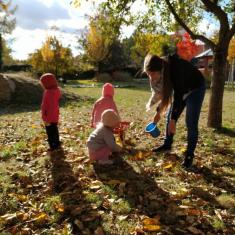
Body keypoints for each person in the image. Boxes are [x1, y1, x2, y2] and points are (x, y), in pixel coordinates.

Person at [144, 54, 206, 168]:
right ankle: (167, 145)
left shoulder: (175, 69)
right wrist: (158, 112)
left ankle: (189, 155)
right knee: (169, 118)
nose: (151, 77)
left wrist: (174, 119)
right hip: (181, 90)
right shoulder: (162, 72)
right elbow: (165, 94)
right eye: (148, 74)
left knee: (190, 122)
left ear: (160, 70)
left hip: (195, 89)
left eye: (152, 73)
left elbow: (178, 95)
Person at [40, 73, 61, 151]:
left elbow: (48, 107)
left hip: (49, 116)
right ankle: (57, 142)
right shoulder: (56, 90)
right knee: (54, 129)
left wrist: (45, 117)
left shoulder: (48, 93)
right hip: (55, 115)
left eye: (43, 83)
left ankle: (53, 145)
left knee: (50, 131)